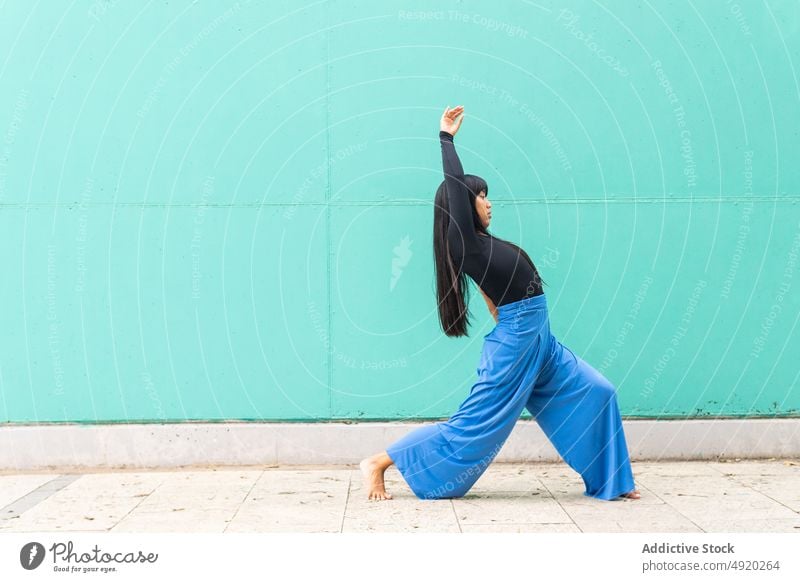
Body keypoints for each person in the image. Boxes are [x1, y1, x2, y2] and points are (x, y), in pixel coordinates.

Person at [359, 105, 640, 502]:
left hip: (540, 341)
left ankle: (612, 482)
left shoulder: (488, 247)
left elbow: (495, 299)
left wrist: (515, 326)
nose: (488, 203)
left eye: (488, 196)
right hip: (518, 343)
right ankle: (379, 462)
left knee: (599, 391)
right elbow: (454, 186)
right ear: (461, 206)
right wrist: (446, 138)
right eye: (480, 197)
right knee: (472, 425)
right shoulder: (465, 243)